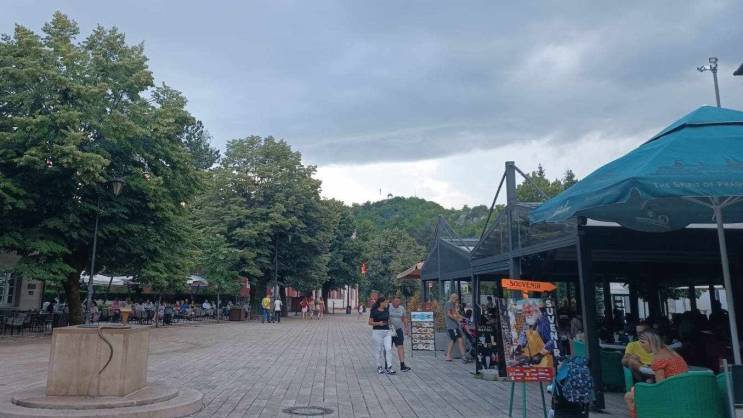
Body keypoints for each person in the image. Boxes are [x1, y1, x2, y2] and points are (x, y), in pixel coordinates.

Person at [625, 330, 688, 418]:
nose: (641, 346)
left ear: (651, 342)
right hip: (683, 391)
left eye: (643, 342)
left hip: (670, 395)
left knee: (629, 396)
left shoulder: (658, 358)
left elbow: (660, 386)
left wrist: (641, 385)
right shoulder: (671, 352)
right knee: (637, 388)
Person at [369, 297, 395, 375]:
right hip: (377, 332)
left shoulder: (387, 310)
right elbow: (370, 322)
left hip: (387, 332)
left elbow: (389, 320)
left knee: (388, 349)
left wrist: (390, 322)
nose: (386, 303)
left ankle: (389, 367)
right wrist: (378, 323)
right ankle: (379, 366)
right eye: (385, 302)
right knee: (378, 349)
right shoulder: (374, 311)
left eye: (386, 302)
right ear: (381, 303)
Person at [389, 296, 411, 372]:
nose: (398, 303)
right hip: (389, 330)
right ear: (392, 301)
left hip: (398, 330)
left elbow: (405, 318)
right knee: (388, 348)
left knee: (400, 346)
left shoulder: (401, 308)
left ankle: (402, 365)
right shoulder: (388, 307)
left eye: (399, 301)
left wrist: (406, 328)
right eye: (396, 301)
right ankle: (388, 365)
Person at [445, 294, 469, 363]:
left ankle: (448, 355)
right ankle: (463, 356)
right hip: (452, 326)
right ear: (453, 298)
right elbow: (449, 314)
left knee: (453, 340)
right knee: (460, 339)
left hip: (453, 325)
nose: (457, 301)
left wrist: (464, 318)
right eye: (456, 299)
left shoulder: (452, 304)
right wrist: (457, 319)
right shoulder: (449, 304)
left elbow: (456, 314)